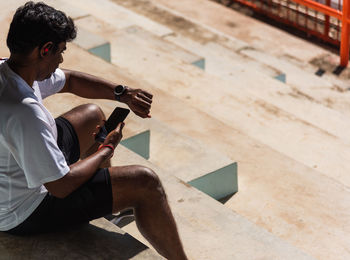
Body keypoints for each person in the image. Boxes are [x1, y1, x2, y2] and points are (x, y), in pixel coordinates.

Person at [0, 2, 187, 259]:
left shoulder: (8, 70)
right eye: (60, 52)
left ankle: (107, 204)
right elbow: (60, 185)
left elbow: (72, 81)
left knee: (91, 115)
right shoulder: (24, 111)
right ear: (44, 50)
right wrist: (106, 148)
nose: (61, 59)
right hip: (24, 211)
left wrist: (123, 94)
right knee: (145, 182)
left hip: (17, 171)